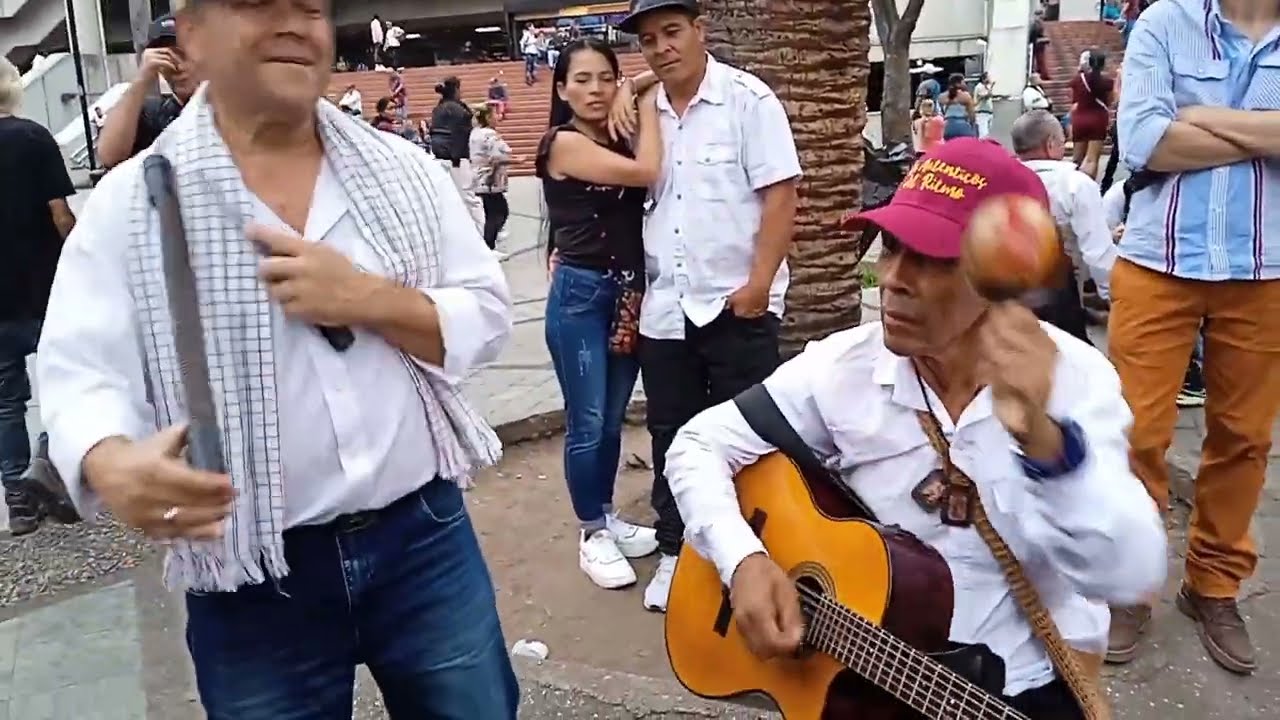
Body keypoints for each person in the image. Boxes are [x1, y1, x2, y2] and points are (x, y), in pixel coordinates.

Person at [35, 0, 519, 716]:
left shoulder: (403, 170)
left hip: (425, 543)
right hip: (249, 577)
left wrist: (367, 298)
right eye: (261, 3)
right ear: (191, 35)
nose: (296, 23)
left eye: (313, 8)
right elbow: (80, 371)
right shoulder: (132, 205)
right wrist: (112, 461)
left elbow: (486, 315)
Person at [664, 138, 1166, 719]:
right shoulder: (847, 365)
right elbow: (699, 444)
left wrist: (1046, 446)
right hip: (862, 667)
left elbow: (1130, 574)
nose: (892, 279)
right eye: (892, 247)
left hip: (1019, 683)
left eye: (932, 258)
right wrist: (742, 559)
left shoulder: (1076, 382)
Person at [1106, 0, 1279, 675]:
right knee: (1134, 433)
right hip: (1159, 259)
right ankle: (1129, 585)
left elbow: (1173, 132)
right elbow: (1146, 140)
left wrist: (1197, 118)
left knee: (1245, 437)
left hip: (1265, 266)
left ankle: (1213, 585)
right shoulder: (1163, 23)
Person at [612, 0, 802, 612]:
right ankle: (677, 553)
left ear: (700, 31)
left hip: (736, 306)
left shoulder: (750, 102)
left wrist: (757, 285)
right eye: (647, 40)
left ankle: (761, 554)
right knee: (670, 436)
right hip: (667, 309)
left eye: (672, 32)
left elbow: (780, 196)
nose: (661, 47)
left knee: (751, 435)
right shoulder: (646, 113)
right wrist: (632, 88)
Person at [537, 38, 664, 590]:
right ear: (562, 89)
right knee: (586, 422)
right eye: (582, 80)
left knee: (612, 419)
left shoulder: (614, 131)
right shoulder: (561, 143)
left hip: (627, 295)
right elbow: (648, 172)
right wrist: (650, 103)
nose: (595, 89)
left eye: (605, 78)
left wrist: (637, 85)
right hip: (580, 297)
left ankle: (607, 514)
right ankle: (591, 532)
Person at [0, 57, 80, 537]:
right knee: (63, 384)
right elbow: (61, 215)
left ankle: (19, 503)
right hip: (45, 288)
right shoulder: (32, 137)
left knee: (6, 401)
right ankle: (50, 476)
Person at [1011, 110, 1118, 343]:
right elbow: (1097, 253)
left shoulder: (1002, 180)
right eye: (1062, 141)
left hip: (1008, 297)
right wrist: (1115, 298)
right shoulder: (1075, 184)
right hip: (1061, 297)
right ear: (1050, 145)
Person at [97, 14, 196, 168]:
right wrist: (141, 81)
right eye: (166, 56)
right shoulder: (155, 114)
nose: (178, 67)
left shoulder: (230, 108)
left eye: (185, 55)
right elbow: (109, 156)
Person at [428, 77, 485, 232]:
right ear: (456, 90)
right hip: (457, 157)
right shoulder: (459, 109)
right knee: (470, 199)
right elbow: (469, 131)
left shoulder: (438, 109)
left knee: (449, 199)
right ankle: (484, 239)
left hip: (440, 157)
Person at [470, 105, 513, 254]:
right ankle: (489, 246)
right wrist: (516, 161)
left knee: (491, 212)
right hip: (489, 178)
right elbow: (497, 157)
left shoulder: (474, 133)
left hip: (477, 176)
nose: (498, 117)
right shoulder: (489, 134)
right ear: (488, 117)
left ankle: (491, 239)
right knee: (499, 212)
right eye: (495, 114)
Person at [1068, 50, 1113, 179]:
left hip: (1080, 118)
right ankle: (1090, 187)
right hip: (1098, 119)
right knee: (1092, 159)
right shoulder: (1107, 82)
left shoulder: (1077, 80)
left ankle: (1074, 184)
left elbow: (1073, 102)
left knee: (1077, 158)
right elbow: (1110, 101)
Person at [940, 73, 977, 140]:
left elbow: (940, 113)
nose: (965, 84)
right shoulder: (966, 96)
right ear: (958, 83)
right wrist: (973, 126)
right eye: (963, 82)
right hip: (961, 124)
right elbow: (972, 114)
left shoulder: (942, 96)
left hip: (947, 126)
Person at [973, 71, 995, 138]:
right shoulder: (980, 87)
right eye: (989, 77)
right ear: (984, 79)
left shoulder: (986, 87)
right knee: (983, 134)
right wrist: (992, 86)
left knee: (986, 133)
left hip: (988, 113)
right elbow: (986, 96)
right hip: (982, 113)